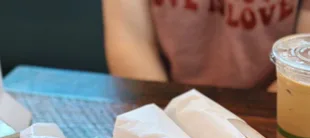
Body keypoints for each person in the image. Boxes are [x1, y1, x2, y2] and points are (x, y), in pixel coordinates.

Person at [103, 0, 310, 89]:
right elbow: (129, 37)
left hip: (275, 100)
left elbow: (304, 58)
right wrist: (163, 117)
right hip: (169, 91)